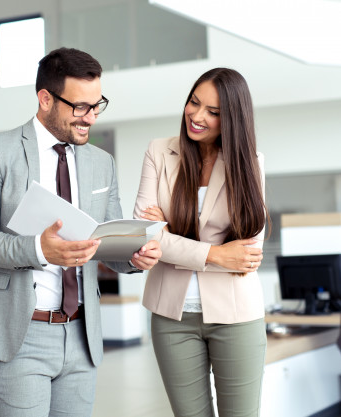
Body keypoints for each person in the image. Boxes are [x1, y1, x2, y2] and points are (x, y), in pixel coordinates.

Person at [0, 47, 161, 417]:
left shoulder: (102, 162)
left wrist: (134, 256)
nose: (91, 118)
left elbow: (106, 241)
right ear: (45, 98)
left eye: (97, 105)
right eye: (80, 107)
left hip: (82, 336)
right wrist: (38, 250)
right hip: (18, 334)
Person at [134, 67, 268, 417]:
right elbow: (145, 236)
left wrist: (171, 242)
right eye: (194, 103)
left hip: (236, 315)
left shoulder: (250, 164)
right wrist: (215, 254)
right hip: (171, 317)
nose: (196, 116)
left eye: (213, 112)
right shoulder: (159, 152)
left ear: (233, 119)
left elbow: (248, 252)